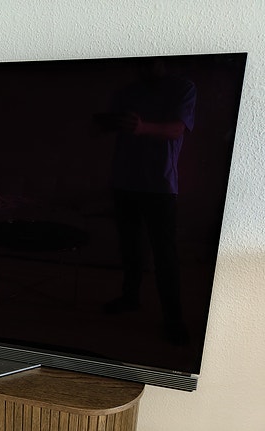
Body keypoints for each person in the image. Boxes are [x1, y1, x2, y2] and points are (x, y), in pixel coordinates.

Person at [97, 58, 197, 344]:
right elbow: (109, 124)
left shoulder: (183, 88)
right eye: (139, 65)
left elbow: (177, 129)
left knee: (165, 254)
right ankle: (130, 298)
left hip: (160, 186)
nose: (143, 70)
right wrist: (107, 123)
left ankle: (173, 319)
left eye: (149, 64)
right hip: (124, 182)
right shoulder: (128, 91)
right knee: (130, 247)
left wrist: (141, 127)